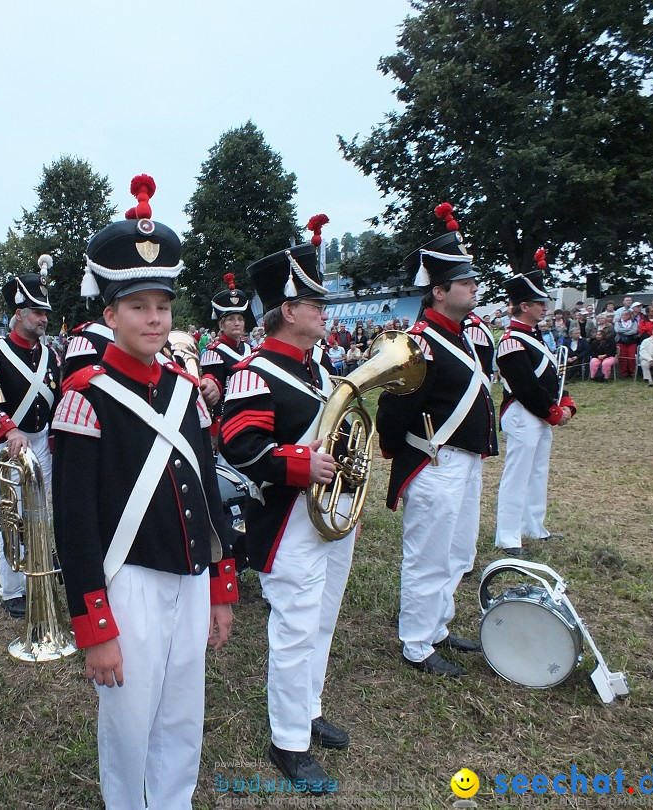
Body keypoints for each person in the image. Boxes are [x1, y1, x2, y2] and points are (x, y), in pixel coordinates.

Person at [51, 176, 236, 810]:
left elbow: (209, 495)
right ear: (109, 315)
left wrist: (221, 586)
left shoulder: (186, 390)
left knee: (183, 712)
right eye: (138, 306)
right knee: (129, 726)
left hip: (188, 578)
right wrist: (95, 624)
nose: (154, 318)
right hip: (126, 579)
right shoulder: (84, 395)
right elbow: (74, 522)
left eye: (162, 305)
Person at [219, 218, 352, 795]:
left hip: (332, 513)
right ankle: (288, 740)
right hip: (287, 522)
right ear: (287, 310)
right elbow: (239, 444)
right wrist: (299, 464)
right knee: (295, 628)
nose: (324, 311)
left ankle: (309, 706)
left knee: (321, 620)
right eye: (314, 302)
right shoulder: (253, 372)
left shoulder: (318, 370)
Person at [376, 205, 497, 680]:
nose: (473, 288)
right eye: (464, 282)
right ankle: (416, 643)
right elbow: (393, 409)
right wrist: (400, 450)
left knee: (456, 551)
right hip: (435, 459)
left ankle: (437, 626)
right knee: (428, 554)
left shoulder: (463, 336)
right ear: (440, 291)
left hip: (463, 461)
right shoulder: (418, 344)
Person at [0, 260, 60, 618]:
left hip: (44, 439)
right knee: (13, 515)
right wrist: (9, 429)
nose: (44, 319)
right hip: (6, 440)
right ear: (19, 312)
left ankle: (43, 570)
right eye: (37, 312)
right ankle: (12, 589)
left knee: (45, 511)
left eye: (45, 312)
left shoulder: (51, 354)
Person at [494, 260, 576, 557]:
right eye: (539, 303)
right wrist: (552, 411)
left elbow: (550, 375)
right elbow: (524, 386)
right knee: (517, 474)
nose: (545, 307)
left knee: (538, 471)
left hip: (538, 413)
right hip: (522, 413)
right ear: (524, 306)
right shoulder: (511, 340)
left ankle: (533, 526)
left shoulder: (533, 336)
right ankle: (507, 535)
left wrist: (564, 401)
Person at [200, 273, 255, 440]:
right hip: (228, 421)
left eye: (240, 318)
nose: (237, 323)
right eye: (231, 319)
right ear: (221, 325)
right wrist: (216, 430)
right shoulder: (214, 352)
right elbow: (214, 396)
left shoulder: (249, 349)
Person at [615, 308, 640, 378]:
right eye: (623, 315)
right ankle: (624, 373)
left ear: (629, 315)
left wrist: (624, 332)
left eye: (626, 315)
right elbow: (617, 330)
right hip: (621, 342)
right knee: (622, 358)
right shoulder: (618, 322)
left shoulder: (634, 322)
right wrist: (628, 330)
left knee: (631, 357)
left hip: (632, 342)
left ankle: (632, 372)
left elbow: (634, 331)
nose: (624, 316)